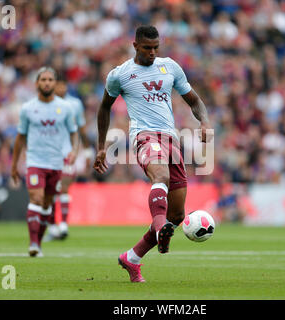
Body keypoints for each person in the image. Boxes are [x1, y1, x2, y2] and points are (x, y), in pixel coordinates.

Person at [93, 25, 212, 282]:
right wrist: (102, 147)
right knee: (160, 176)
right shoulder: (120, 75)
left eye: (156, 47)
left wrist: (204, 122)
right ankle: (161, 230)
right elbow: (104, 108)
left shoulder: (170, 67)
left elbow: (194, 100)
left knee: (178, 215)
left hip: (171, 139)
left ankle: (132, 258)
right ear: (135, 45)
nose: (152, 52)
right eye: (147, 48)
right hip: (144, 136)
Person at [11, 67, 79, 257]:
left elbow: (74, 133)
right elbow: (20, 137)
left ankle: (38, 242)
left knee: (47, 205)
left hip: (56, 163)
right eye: (43, 80)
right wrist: (14, 164)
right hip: (35, 161)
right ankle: (33, 243)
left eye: (50, 80)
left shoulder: (65, 108)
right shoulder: (28, 108)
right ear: (37, 83)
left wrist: (74, 151)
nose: (47, 83)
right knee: (36, 199)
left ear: (55, 84)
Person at [45, 78, 91, 240]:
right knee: (49, 191)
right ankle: (52, 228)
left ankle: (63, 225)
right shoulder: (46, 104)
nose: (61, 88)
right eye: (58, 85)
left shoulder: (75, 104)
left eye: (63, 84)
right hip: (49, 153)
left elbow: (82, 128)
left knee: (64, 187)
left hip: (68, 153)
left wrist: (86, 152)